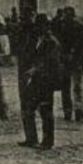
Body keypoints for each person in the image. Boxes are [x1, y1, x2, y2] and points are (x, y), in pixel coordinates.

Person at [19, 13, 63, 150]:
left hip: (46, 81)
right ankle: (31, 138)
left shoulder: (52, 42)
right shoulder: (36, 40)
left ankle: (47, 141)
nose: (38, 28)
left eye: (41, 25)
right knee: (28, 108)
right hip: (36, 80)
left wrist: (35, 69)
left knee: (45, 111)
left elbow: (50, 61)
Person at [60, 6, 83, 122]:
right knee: (69, 87)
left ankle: (75, 110)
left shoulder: (77, 28)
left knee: (73, 87)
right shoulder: (63, 27)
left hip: (74, 61)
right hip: (67, 62)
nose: (66, 17)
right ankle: (72, 111)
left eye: (68, 15)